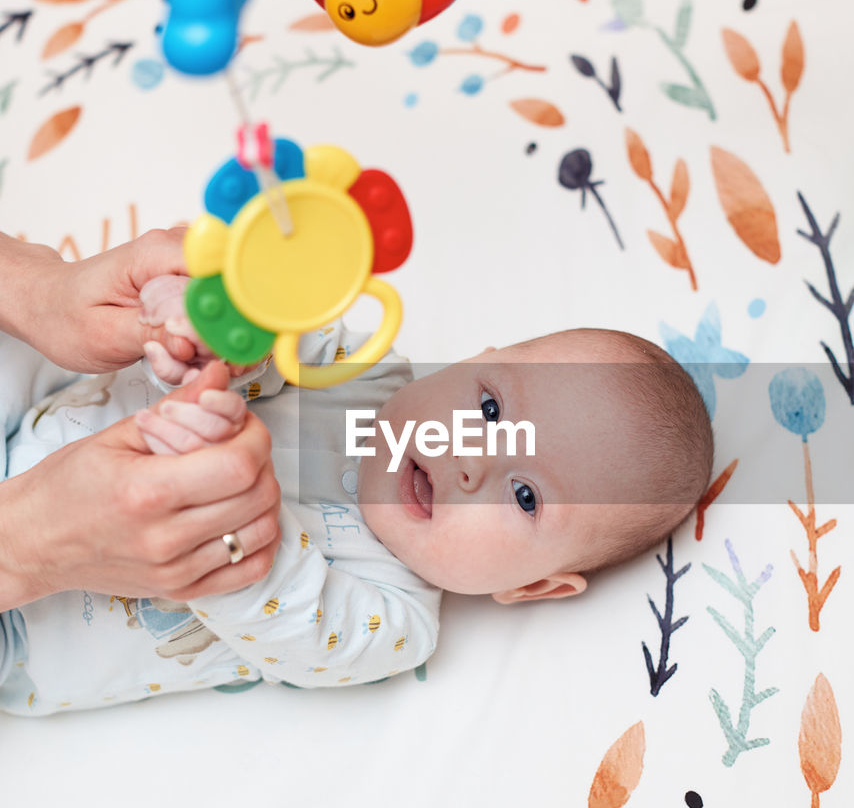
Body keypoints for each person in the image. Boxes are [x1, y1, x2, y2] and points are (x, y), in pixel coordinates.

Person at [0, 272, 713, 716]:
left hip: (23, 624)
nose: (470, 463)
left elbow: (281, 615)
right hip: (30, 402)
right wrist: (207, 341)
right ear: (473, 360)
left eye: (525, 496)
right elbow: (262, 342)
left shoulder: (394, 619)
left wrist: (220, 483)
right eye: (491, 411)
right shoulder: (358, 369)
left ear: (534, 586)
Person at [0, 232, 282, 619]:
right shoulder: (370, 371)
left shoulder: (393, 610)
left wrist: (34, 287)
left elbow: (319, 640)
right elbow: (286, 358)